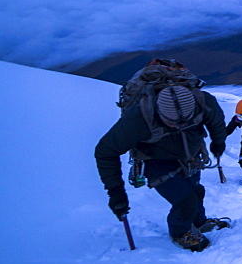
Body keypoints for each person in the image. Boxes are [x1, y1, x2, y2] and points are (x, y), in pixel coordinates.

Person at [95, 84, 229, 252]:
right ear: (159, 112)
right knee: (185, 202)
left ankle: (199, 222)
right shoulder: (138, 119)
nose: (180, 126)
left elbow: (216, 121)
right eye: (173, 123)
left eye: (186, 122)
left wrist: (219, 142)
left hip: (190, 154)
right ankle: (180, 232)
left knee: (196, 191)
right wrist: (115, 192)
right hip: (157, 160)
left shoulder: (203, 101)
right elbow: (105, 151)